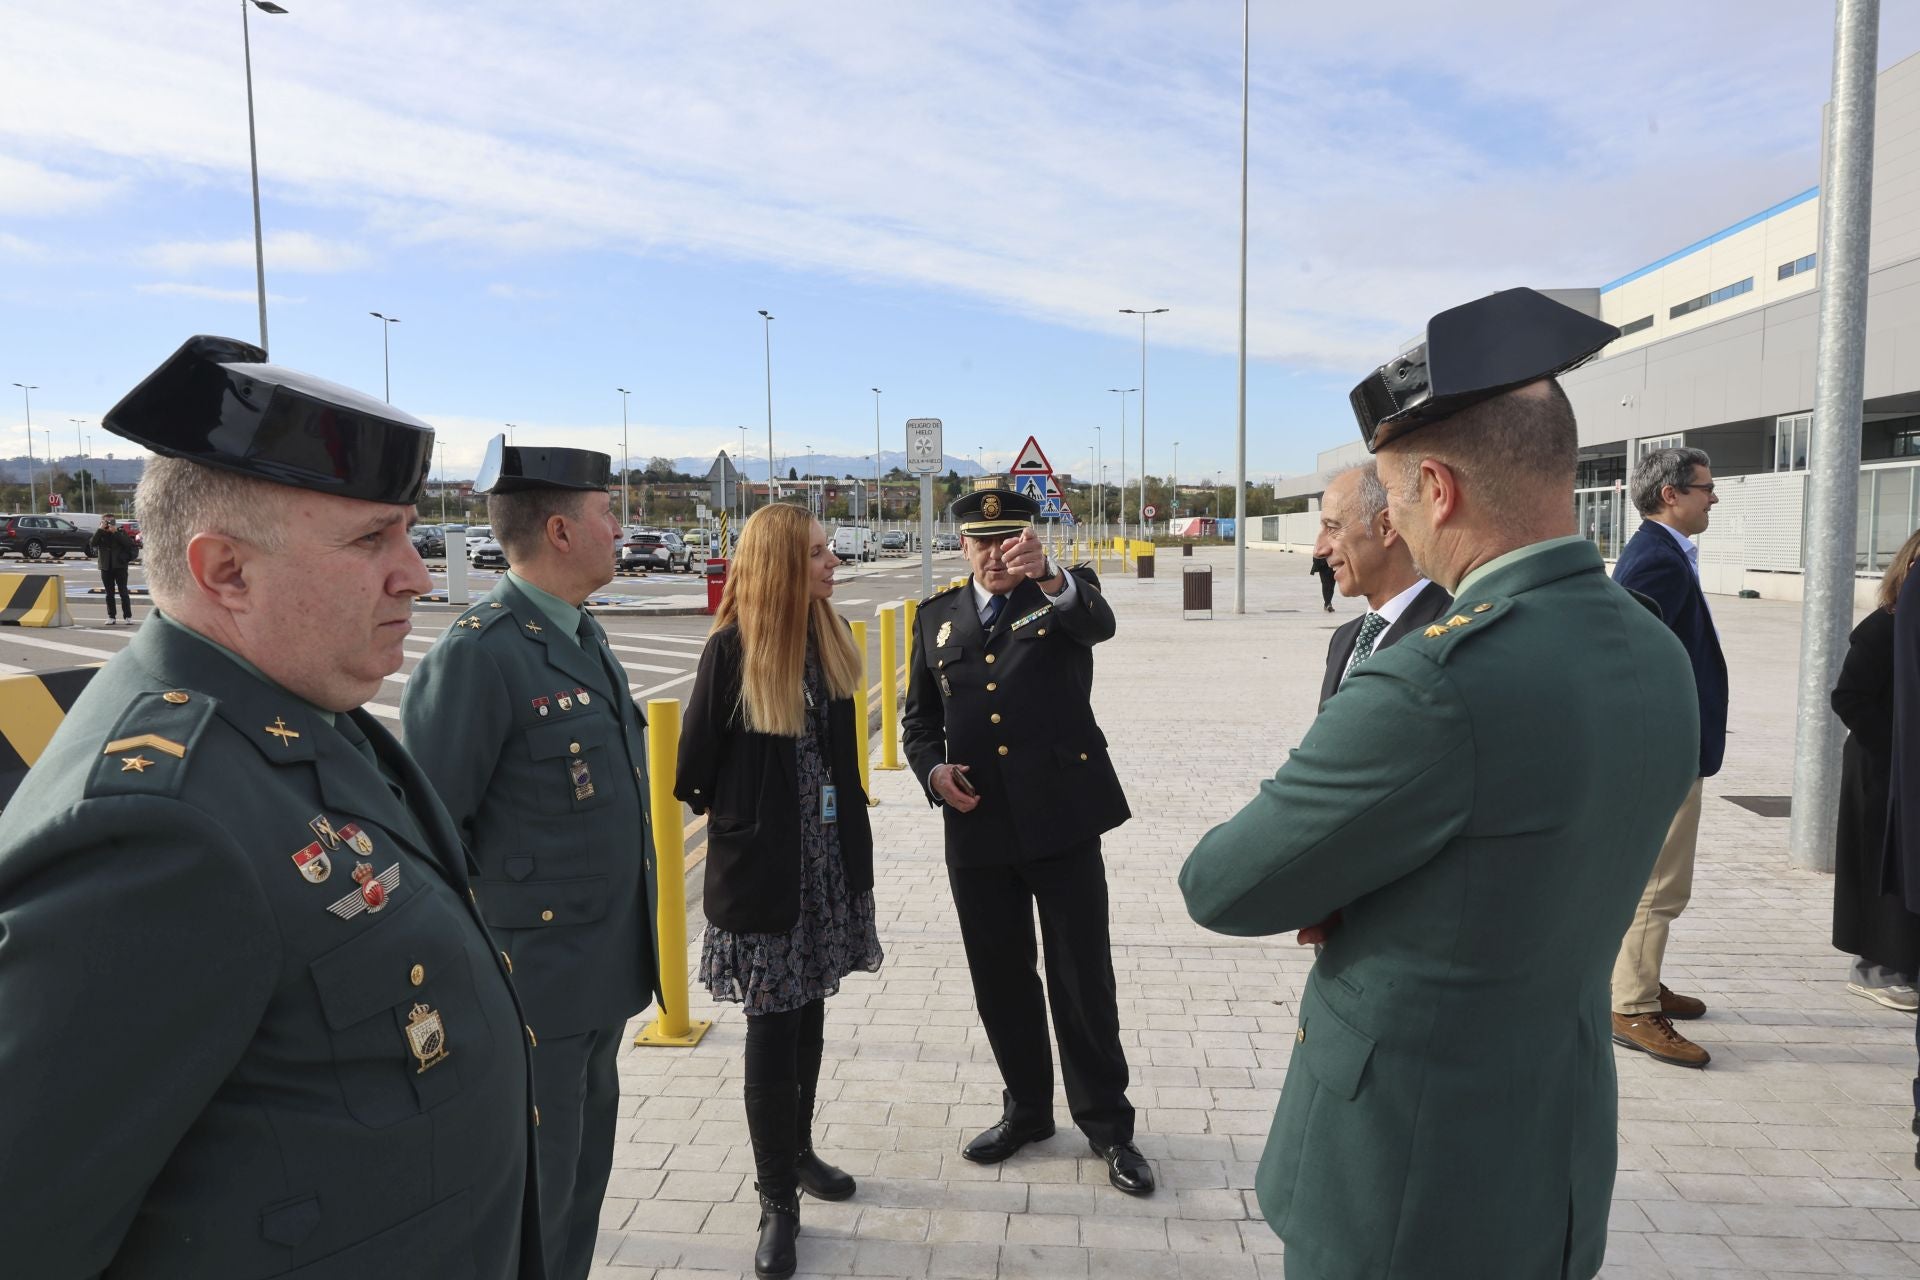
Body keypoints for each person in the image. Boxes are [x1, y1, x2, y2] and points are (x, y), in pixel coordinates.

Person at [1179, 288, 1698, 1279]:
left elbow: (1223, 883)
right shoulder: (1653, 648)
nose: (1397, 524)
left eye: (1398, 498)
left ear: (1441, 490)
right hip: (1553, 1154)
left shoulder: (1436, 680)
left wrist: (1342, 873)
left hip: (1405, 1181)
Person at [0, 336, 542, 1278]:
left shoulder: (298, 707)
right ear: (226, 575)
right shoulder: (155, 831)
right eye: (373, 539)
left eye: (408, 533)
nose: (415, 574)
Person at [401, 434, 661, 1280]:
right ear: (559, 530)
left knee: (581, 1184)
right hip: (531, 988)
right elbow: (432, 838)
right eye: (607, 514)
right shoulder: (481, 653)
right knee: (537, 1198)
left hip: (600, 971)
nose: (619, 529)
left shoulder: (577, 632)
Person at [901, 489, 1153, 1196]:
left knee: (1082, 980)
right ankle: (1027, 1112)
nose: (993, 552)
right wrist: (933, 772)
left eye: (1007, 538)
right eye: (980, 542)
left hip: (1062, 821)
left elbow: (1097, 625)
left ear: (1030, 539)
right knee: (1001, 980)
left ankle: (1109, 1127)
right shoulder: (935, 618)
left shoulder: (1063, 596)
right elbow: (918, 722)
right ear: (960, 546)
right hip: (977, 827)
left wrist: (1051, 576)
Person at [675, 502, 881, 1280]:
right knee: (772, 1028)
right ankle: (774, 1202)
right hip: (765, 872)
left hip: (826, 871)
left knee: (809, 1017)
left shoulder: (831, 638)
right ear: (781, 567)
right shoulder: (731, 650)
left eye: (831, 551)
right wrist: (751, 819)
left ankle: (798, 1154)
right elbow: (692, 768)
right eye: (820, 555)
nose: (833, 565)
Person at [1607, 446, 1729, 1069]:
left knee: (1658, 880)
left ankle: (1641, 983)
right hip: (1662, 747)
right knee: (1659, 882)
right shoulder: (1656, 560)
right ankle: (1631, 1005)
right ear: (1670, 495)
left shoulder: (1665, 553)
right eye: (1706, 488)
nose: (1714, 498)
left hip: (1668, 742)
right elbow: (1623, 658)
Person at [1833, 528, 1920, 1010]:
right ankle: (1875, 969)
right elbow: (1847, 698)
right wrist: (1898, 743)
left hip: (1904, 769)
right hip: (1878, 769)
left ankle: (1902, 962)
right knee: (1878, 869)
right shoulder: (1884, 626)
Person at [1312, 460, 1451, 709]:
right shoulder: (1343, 639)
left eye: (1332, 528)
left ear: (1387, 526)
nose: (1319, 549)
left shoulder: (1449, 640)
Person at [87, 512, 138, 625]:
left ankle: (128, 616)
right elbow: (92, 544)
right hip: (106, 567)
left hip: (120, 566)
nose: (109, 523)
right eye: (106, 521)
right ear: (102, 522)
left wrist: (115, 532)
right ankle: (111, 616)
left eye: (112, 521)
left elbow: (128, 544)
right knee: (109, 593)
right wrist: (100, 529)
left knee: (123, 592)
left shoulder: (120, 531)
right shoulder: (100, 533)